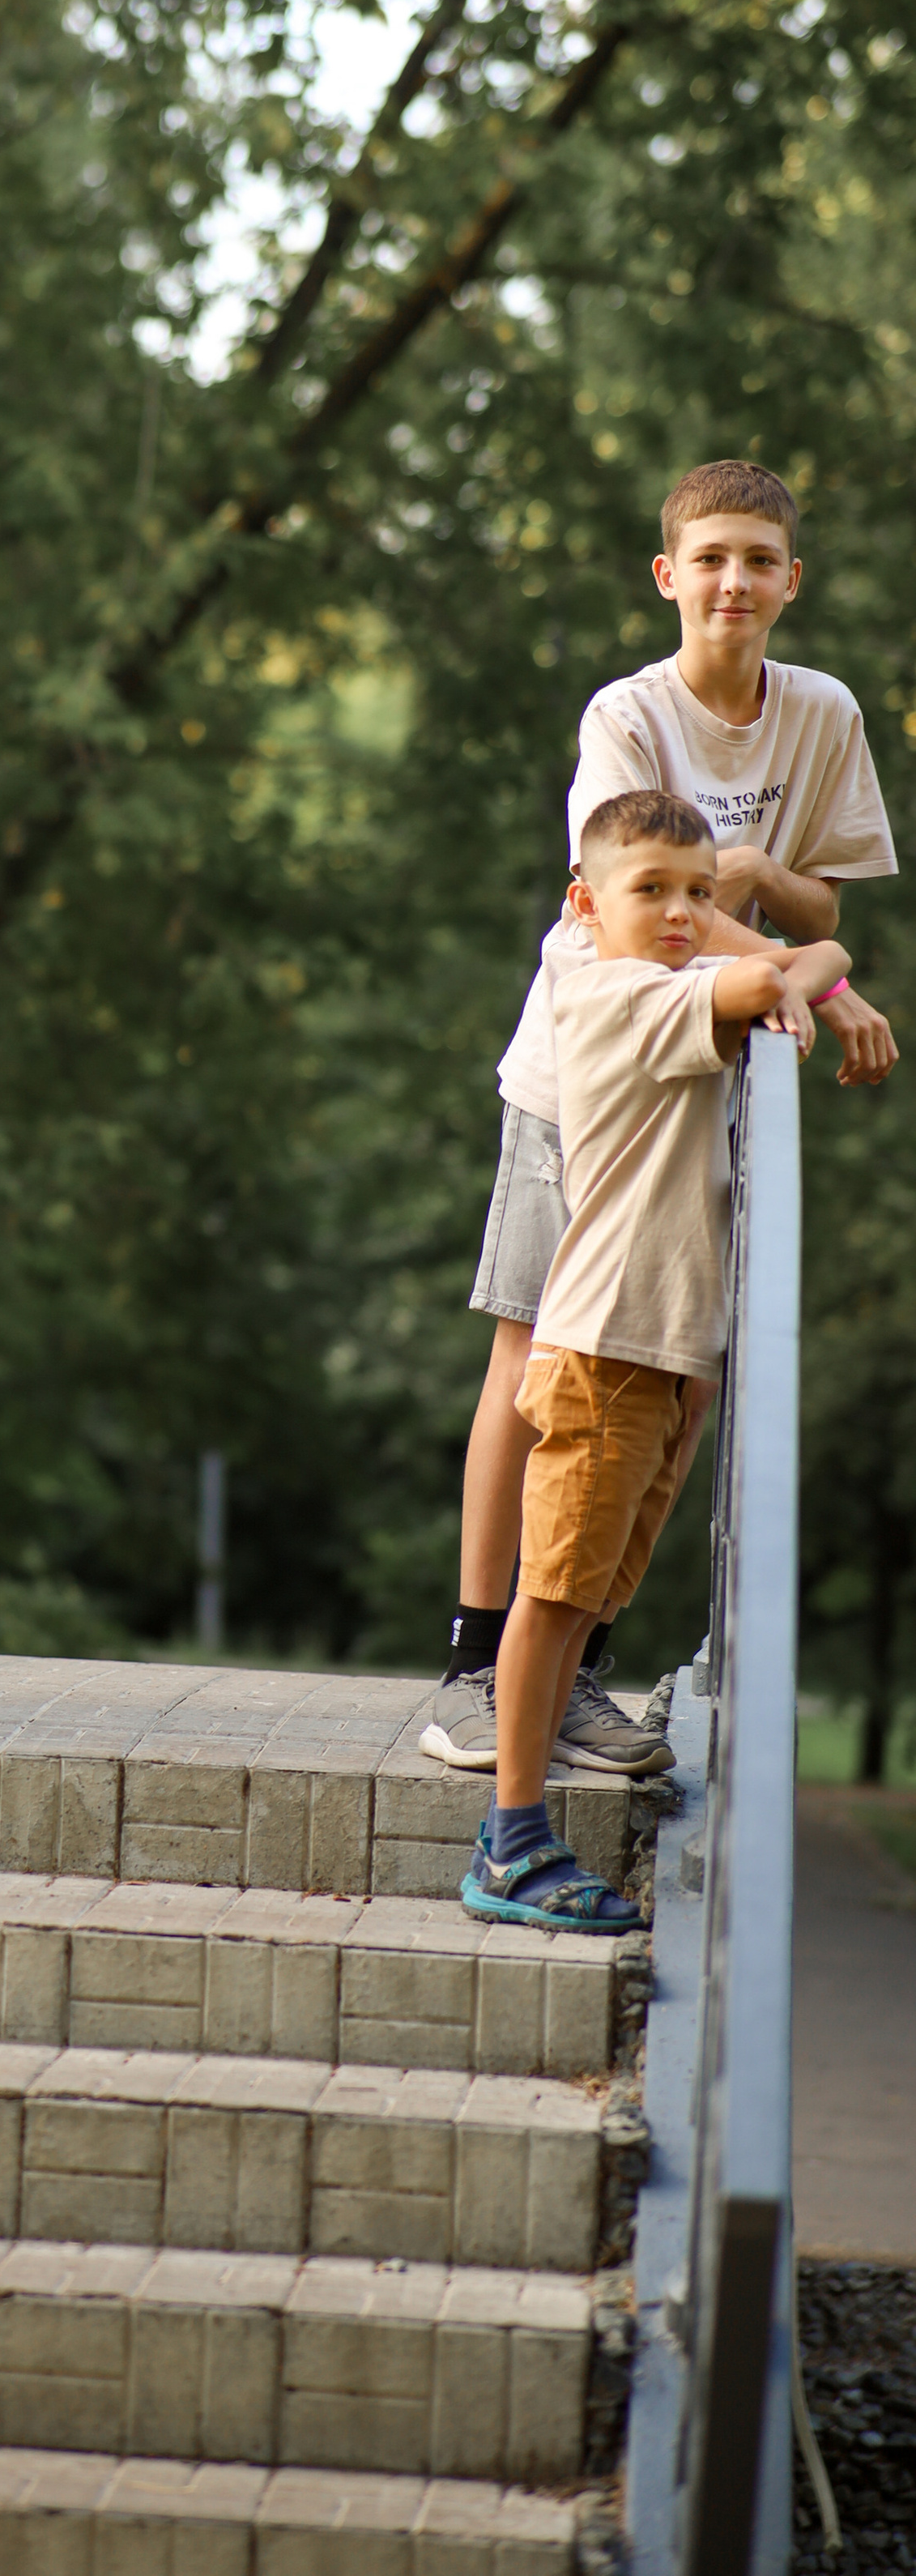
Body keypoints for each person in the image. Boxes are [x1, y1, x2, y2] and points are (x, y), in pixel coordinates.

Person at [423, 460, 897, 1777]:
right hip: (588, 1068)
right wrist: (827, 982)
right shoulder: (626, 714)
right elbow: (635, 906)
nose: (735, 582)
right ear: (668, 576)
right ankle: (477, 1660)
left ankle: (574, 1669)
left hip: (706, 1072)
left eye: (760, 559)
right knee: (535, 1351)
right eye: (712, 559)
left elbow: (826, 908)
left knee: (659, 1370)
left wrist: (762, 879)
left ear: (792, 580)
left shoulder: (821, 715)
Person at [462, 790, 849, 1929]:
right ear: (584, 906)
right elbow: (800, 964)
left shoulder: (669, 983)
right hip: (603, 1348)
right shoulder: (614, 994)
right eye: (654, 891)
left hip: (662, 1357)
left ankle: (523, 1827)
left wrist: (790, 963)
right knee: (554, 1592)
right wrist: (786, 956)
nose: (684, 913)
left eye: (697, 891)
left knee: (591, 1596)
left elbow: (796, 967)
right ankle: (511, 1843)